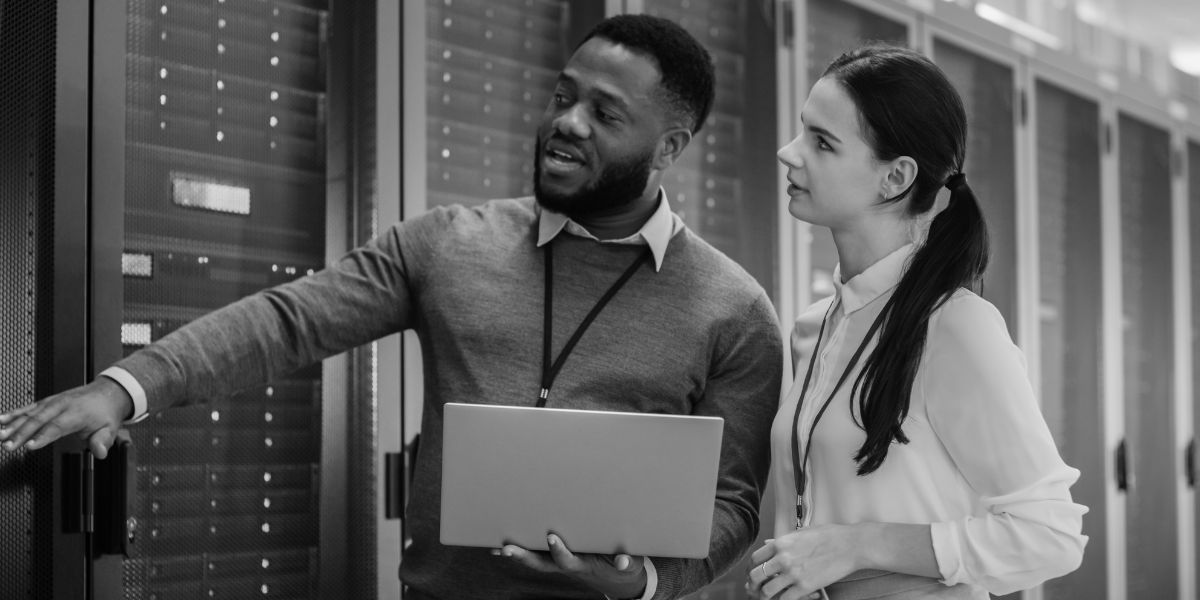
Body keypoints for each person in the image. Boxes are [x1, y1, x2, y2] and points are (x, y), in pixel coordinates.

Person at [0, 15, 783, 600]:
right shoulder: (448, 244)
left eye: (606, 114)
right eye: (562, 96)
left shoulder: (736, 311)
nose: (566, 124)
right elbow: (286, 321)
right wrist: (125, 388)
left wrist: (646, 581)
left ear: (671, 147)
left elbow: (735, 504)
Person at [746, 45, 1087, 600]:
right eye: (801, 131)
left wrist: (859, 546)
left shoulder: (955, 327)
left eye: (822, 142)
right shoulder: (813, 328)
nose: (789, 152)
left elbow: (1051, 534)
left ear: (896, 177)